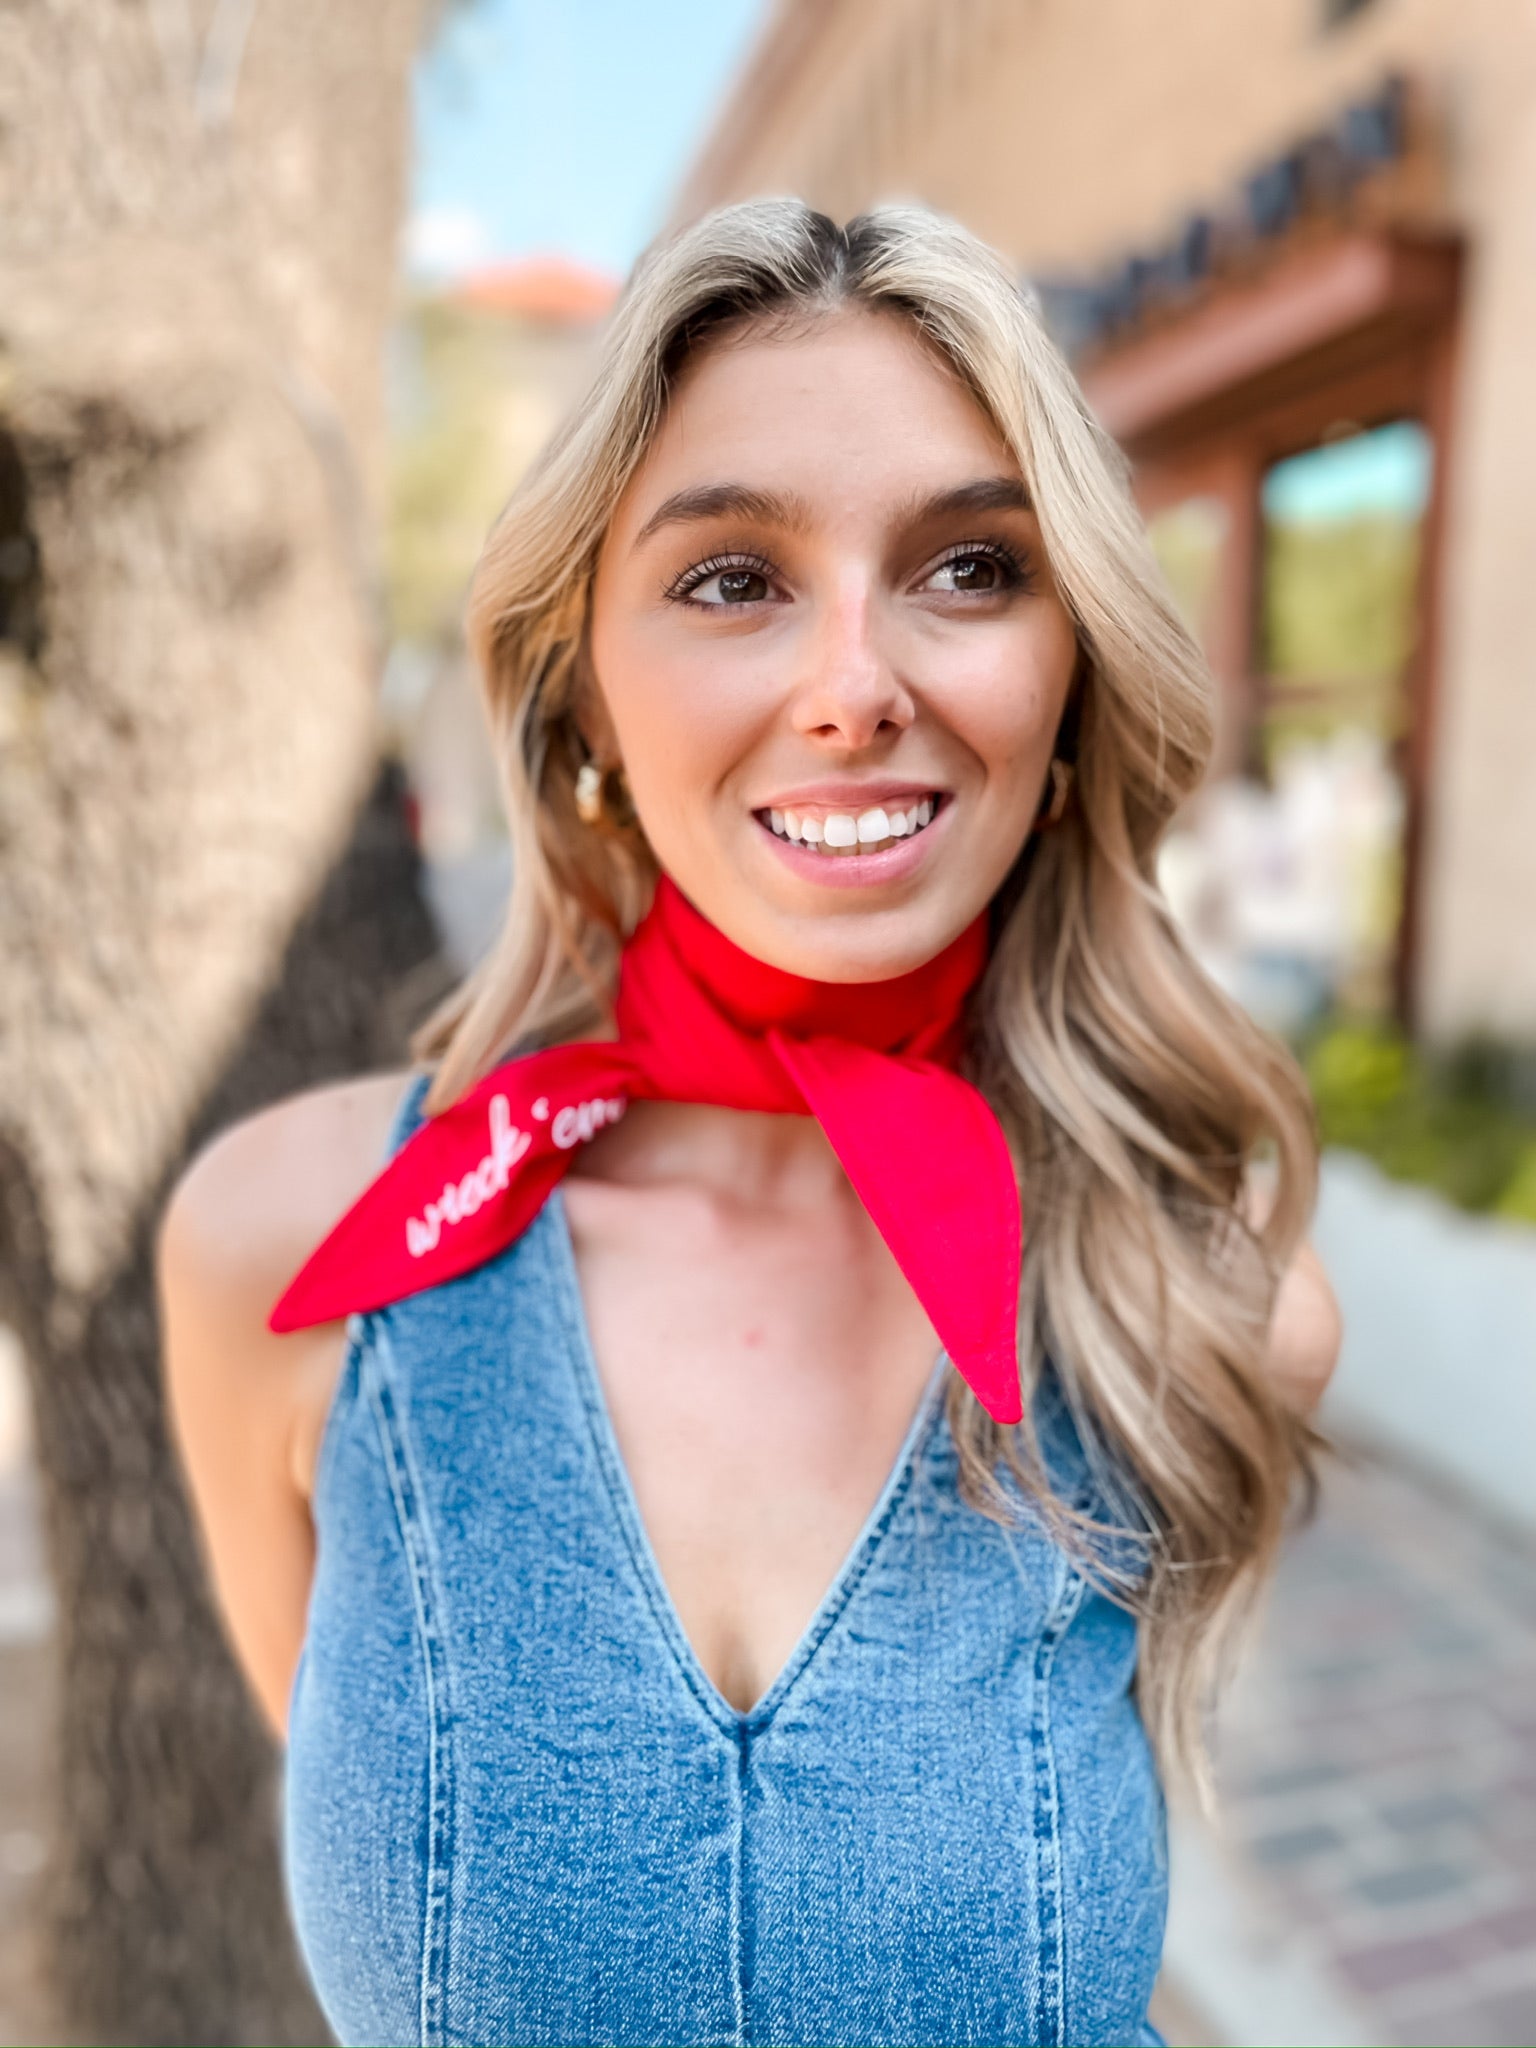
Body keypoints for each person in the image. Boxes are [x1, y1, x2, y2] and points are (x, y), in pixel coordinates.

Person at [156, 199, 1341, 2048]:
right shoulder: (287, 1252)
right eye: (732, 580)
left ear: (1072, 679)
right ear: (585, 702)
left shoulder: (1196, 1311)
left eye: (969, 571)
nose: (856, 685)